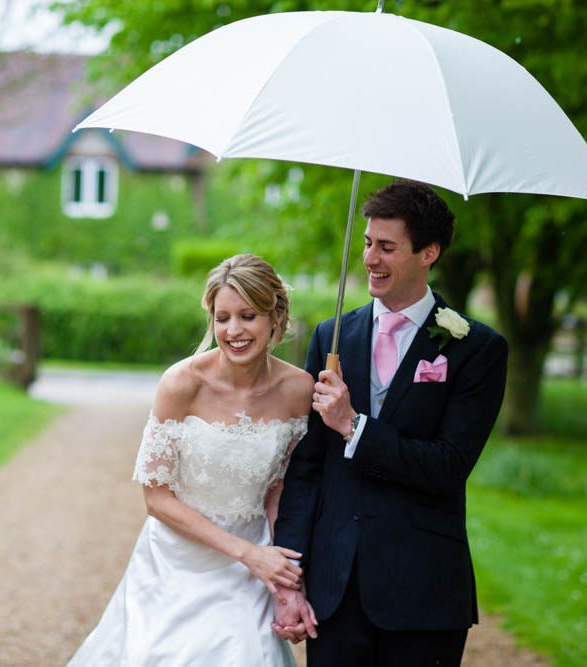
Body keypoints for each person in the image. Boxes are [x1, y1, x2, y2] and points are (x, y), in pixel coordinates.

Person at [272, 181, 508, 666]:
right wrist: (289, 580)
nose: (370, 259)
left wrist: (353, 425)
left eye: (386, 247)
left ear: (429, 253)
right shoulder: (331, 335)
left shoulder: (475, 349)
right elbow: (306, 468)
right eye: (366, 243)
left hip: (423, 590)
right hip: (334, 589)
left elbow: (448, 465)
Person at [67, 254, 315, 667]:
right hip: (175, 560)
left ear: (276, 316)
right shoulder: (182, 384)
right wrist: (246, 553)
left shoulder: (298, 389)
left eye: (248, 316)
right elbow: (157, 499)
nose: (233, 331)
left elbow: (278, 488)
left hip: (252, 564)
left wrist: (284, 581)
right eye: (222, 318)